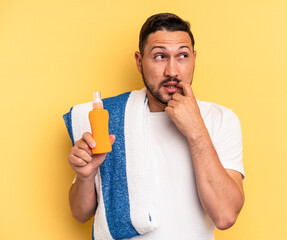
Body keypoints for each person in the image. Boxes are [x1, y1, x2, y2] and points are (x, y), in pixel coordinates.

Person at [66, 13, 245, 240]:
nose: (172, 71)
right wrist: (85, 176)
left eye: (182, 56)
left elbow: (225, 216)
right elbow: (80, 213)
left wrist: (197, 131)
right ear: (140, 62)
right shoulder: (107, 119)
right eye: (160, 56)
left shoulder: (220, 119)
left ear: (194, 59)